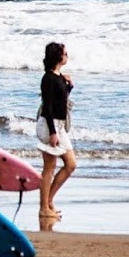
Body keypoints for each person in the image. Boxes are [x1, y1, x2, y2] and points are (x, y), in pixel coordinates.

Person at [37, 41, 77, 225]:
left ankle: (49, 201)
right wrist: (53, 133)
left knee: (70, 164)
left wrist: (69, 85)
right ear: (58, 57)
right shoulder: (48, 79)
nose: (67, 56)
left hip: (60, 127)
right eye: (65, 53)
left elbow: (63, 100)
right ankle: (44, 208)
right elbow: (49, 106)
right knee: (49, 168)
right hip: (49, 125)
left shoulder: (59, 77)